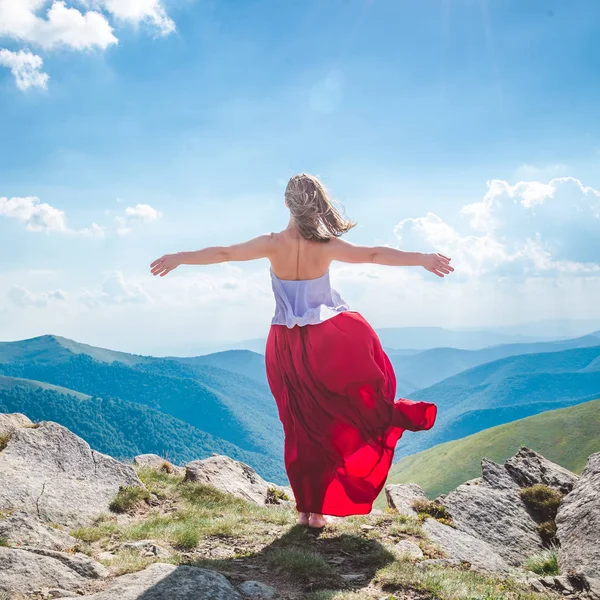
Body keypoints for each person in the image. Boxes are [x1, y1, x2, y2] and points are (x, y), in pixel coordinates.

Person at [150, 173, 453, 528]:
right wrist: (422, 258)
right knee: (330, 421)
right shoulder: (325, 246)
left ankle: (306, 510)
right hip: (327, 340)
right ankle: (322, 506)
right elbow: (372, 254)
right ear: (318, 203)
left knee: (298, 427)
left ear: (285, 203)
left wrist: (178, 257)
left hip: (285, 345)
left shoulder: (271, 243)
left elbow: (224, 253)